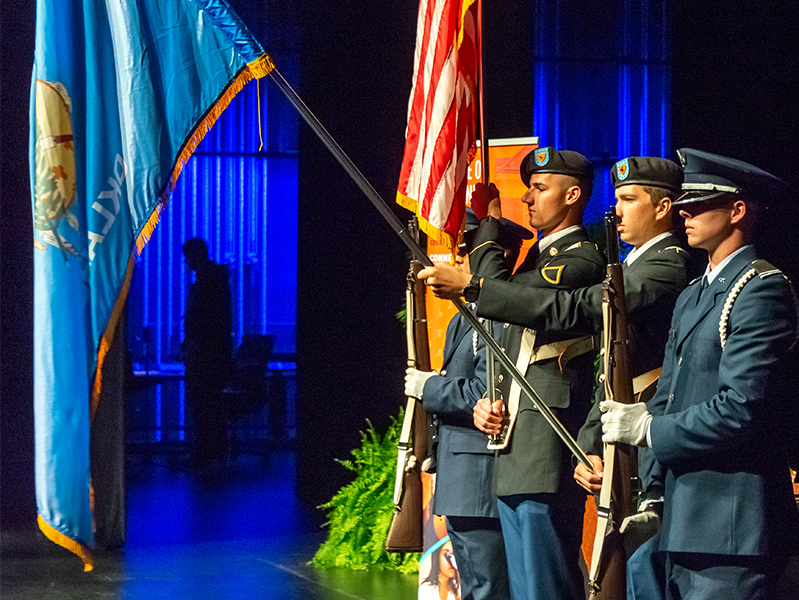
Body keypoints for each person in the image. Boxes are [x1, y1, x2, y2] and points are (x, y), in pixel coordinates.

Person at [600, 148, 799, 600]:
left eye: (700, 204)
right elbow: (669, 393)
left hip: (731, 524)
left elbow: (741, 407)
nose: (685, 212)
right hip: (680, 517)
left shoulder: (759, 289)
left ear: (737, 210)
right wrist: (649, 485)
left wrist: (650, 430)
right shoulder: (694, 294)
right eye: (684, 203)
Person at [421, 147, 605, 600]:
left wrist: (485, 233)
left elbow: (512, 296)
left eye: (540, 188)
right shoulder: (536, 260)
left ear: (572, 195)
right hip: (515, 442)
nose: (528, 198)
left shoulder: (581, 258)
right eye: (528, 189)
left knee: (544, 583)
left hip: (547, 439)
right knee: (525, 587)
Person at [405, 210, 527, 600]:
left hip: (479, 478)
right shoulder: (466, 313)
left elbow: (485, 392)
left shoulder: (496, 314)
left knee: (487, 587)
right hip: (462, 475)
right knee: (476, 586)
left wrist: (432, 388)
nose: (458, 259)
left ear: (499, 256)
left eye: (469, 249)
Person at [182, 237, 233, 471]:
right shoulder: (216, 279)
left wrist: (193, 343)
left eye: (188, 257)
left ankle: (206, 450)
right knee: (207, 402)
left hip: (204, 354)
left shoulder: (208, 283)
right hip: (207, 351)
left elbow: (205, 319)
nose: (186, 262)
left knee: (203, 402)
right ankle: (210, 450)